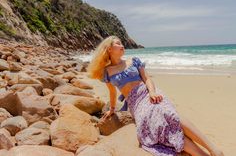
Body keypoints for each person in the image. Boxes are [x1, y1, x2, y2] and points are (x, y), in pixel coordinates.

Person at [87, 36, 224, 156]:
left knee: (169, 114)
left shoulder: (133, 61)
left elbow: (147, 78)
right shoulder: (107, 72)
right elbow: (112, 92)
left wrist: (152, 92)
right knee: (159, 127)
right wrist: (111, 109)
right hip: (136, 103)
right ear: (109, 49)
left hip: (147, 92)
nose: (122, 45)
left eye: (122, 42)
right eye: (117, 43)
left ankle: (214, 150)